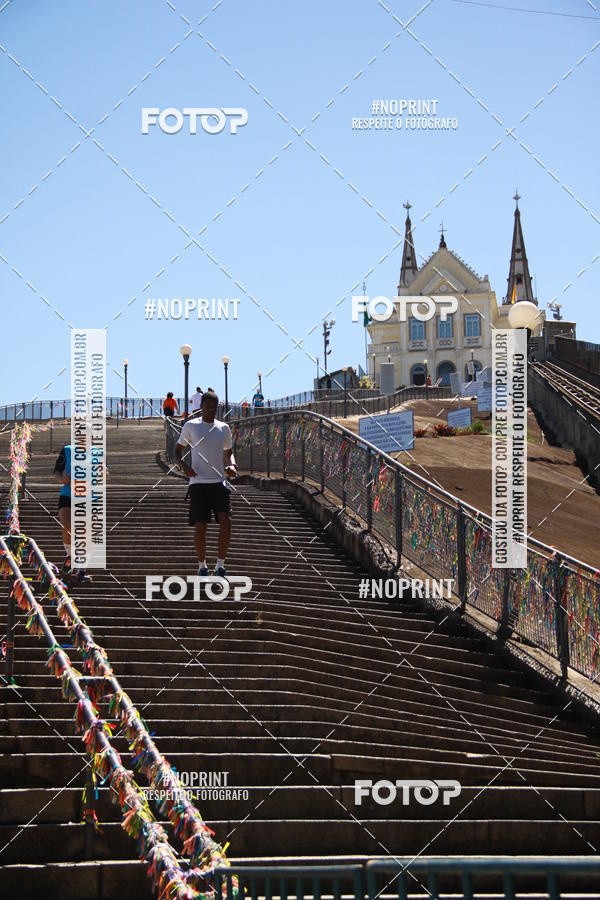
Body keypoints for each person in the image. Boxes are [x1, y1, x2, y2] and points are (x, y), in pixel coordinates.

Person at [175, 389, 237, 578]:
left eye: (214, 407)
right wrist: (184, 466)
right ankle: (202, 565)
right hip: (198, 483)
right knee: (201, 526)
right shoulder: (191, 426)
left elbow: (229, 452)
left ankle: (220, 565)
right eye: (208, 406)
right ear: (201, 406)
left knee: (226, 522)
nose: (211, 410)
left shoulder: (224, 428)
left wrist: (232, 465)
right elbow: (177, 451)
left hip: (219, 482)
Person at [52, 445, 91, 584]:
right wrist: (62, 478)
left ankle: (81, 570)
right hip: (67, 494)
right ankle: (69, 555)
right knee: (67, 526)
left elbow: (105, 473)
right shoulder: (67, 450)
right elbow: (57, 471)